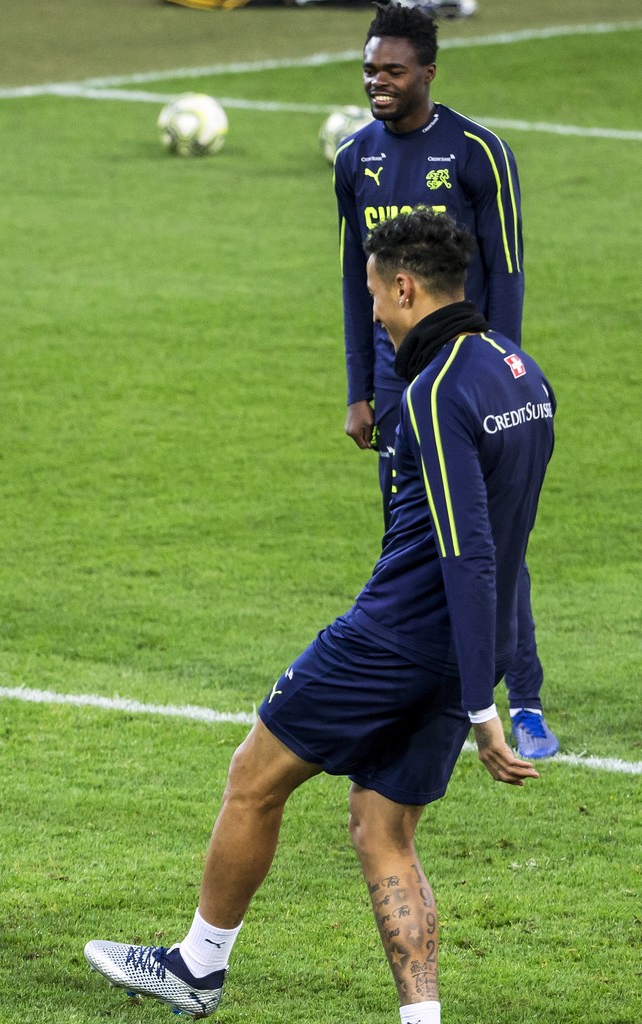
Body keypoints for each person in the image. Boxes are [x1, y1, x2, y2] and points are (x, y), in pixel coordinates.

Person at [85, 210, 551, 1023]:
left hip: (393, 638)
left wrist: (486, 709)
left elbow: (468, 551)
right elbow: (515, 543)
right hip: (458, 652)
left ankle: (197, 967)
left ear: (404, 287)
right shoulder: (521, 374)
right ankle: (422, 1018)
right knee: (383, 831)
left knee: (252, 779)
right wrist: (497, 671)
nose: (372, 312)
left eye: (375, 294)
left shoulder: (434, 393)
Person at [333, 3, 556, 758]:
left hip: (471, 376)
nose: (378, 83)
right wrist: (360, 390)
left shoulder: (476, 151)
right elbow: (350, 281)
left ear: (428, 71)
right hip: (401, 390)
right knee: (411, 537)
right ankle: (432, 688)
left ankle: (520, 697)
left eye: (392, 70)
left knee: (491, 539)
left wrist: (504, 372)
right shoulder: (354, 156)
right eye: (369, 70)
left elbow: (508, 270)